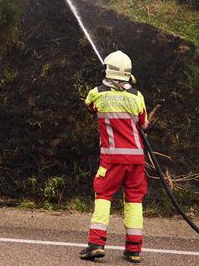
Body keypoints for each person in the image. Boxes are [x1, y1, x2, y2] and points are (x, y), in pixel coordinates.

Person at [80, 50, 158, 263]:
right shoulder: (137, 96)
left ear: (106, 70)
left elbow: (89, 106)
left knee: (103, 195)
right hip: (136, 160)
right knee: (134, 200)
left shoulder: (97, 93)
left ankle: (96, 244)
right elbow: (144, 124)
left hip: (112, 159)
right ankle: (133, 249)